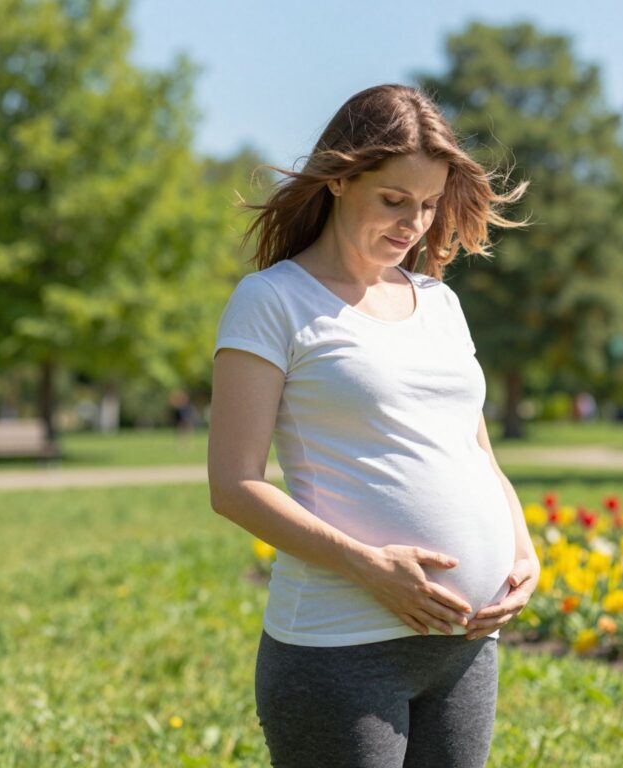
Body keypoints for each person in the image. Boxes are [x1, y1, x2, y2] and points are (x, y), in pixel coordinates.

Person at [207, 84, 539, 768]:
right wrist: (369, 567)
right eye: (393, 200)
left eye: (428, 204)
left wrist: (522, 550)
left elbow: (477, 453)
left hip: (465, 647)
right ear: (338, 179)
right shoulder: (272, 301)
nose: (413, 223)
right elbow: (234, 485)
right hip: (340, 648)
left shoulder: (440, 302)